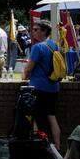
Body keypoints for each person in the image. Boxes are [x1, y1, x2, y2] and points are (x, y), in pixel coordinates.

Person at [23, 20, 63, 150]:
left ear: (44, 31)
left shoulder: (37, 47)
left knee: (34, 117)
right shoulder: (54, 45)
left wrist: (24, 76)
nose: (32, 32)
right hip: (53, 87)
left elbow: (28, 69)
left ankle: (38, 146)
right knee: (52, 117)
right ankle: (57, 147)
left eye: (36, 29)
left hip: (38, 87)